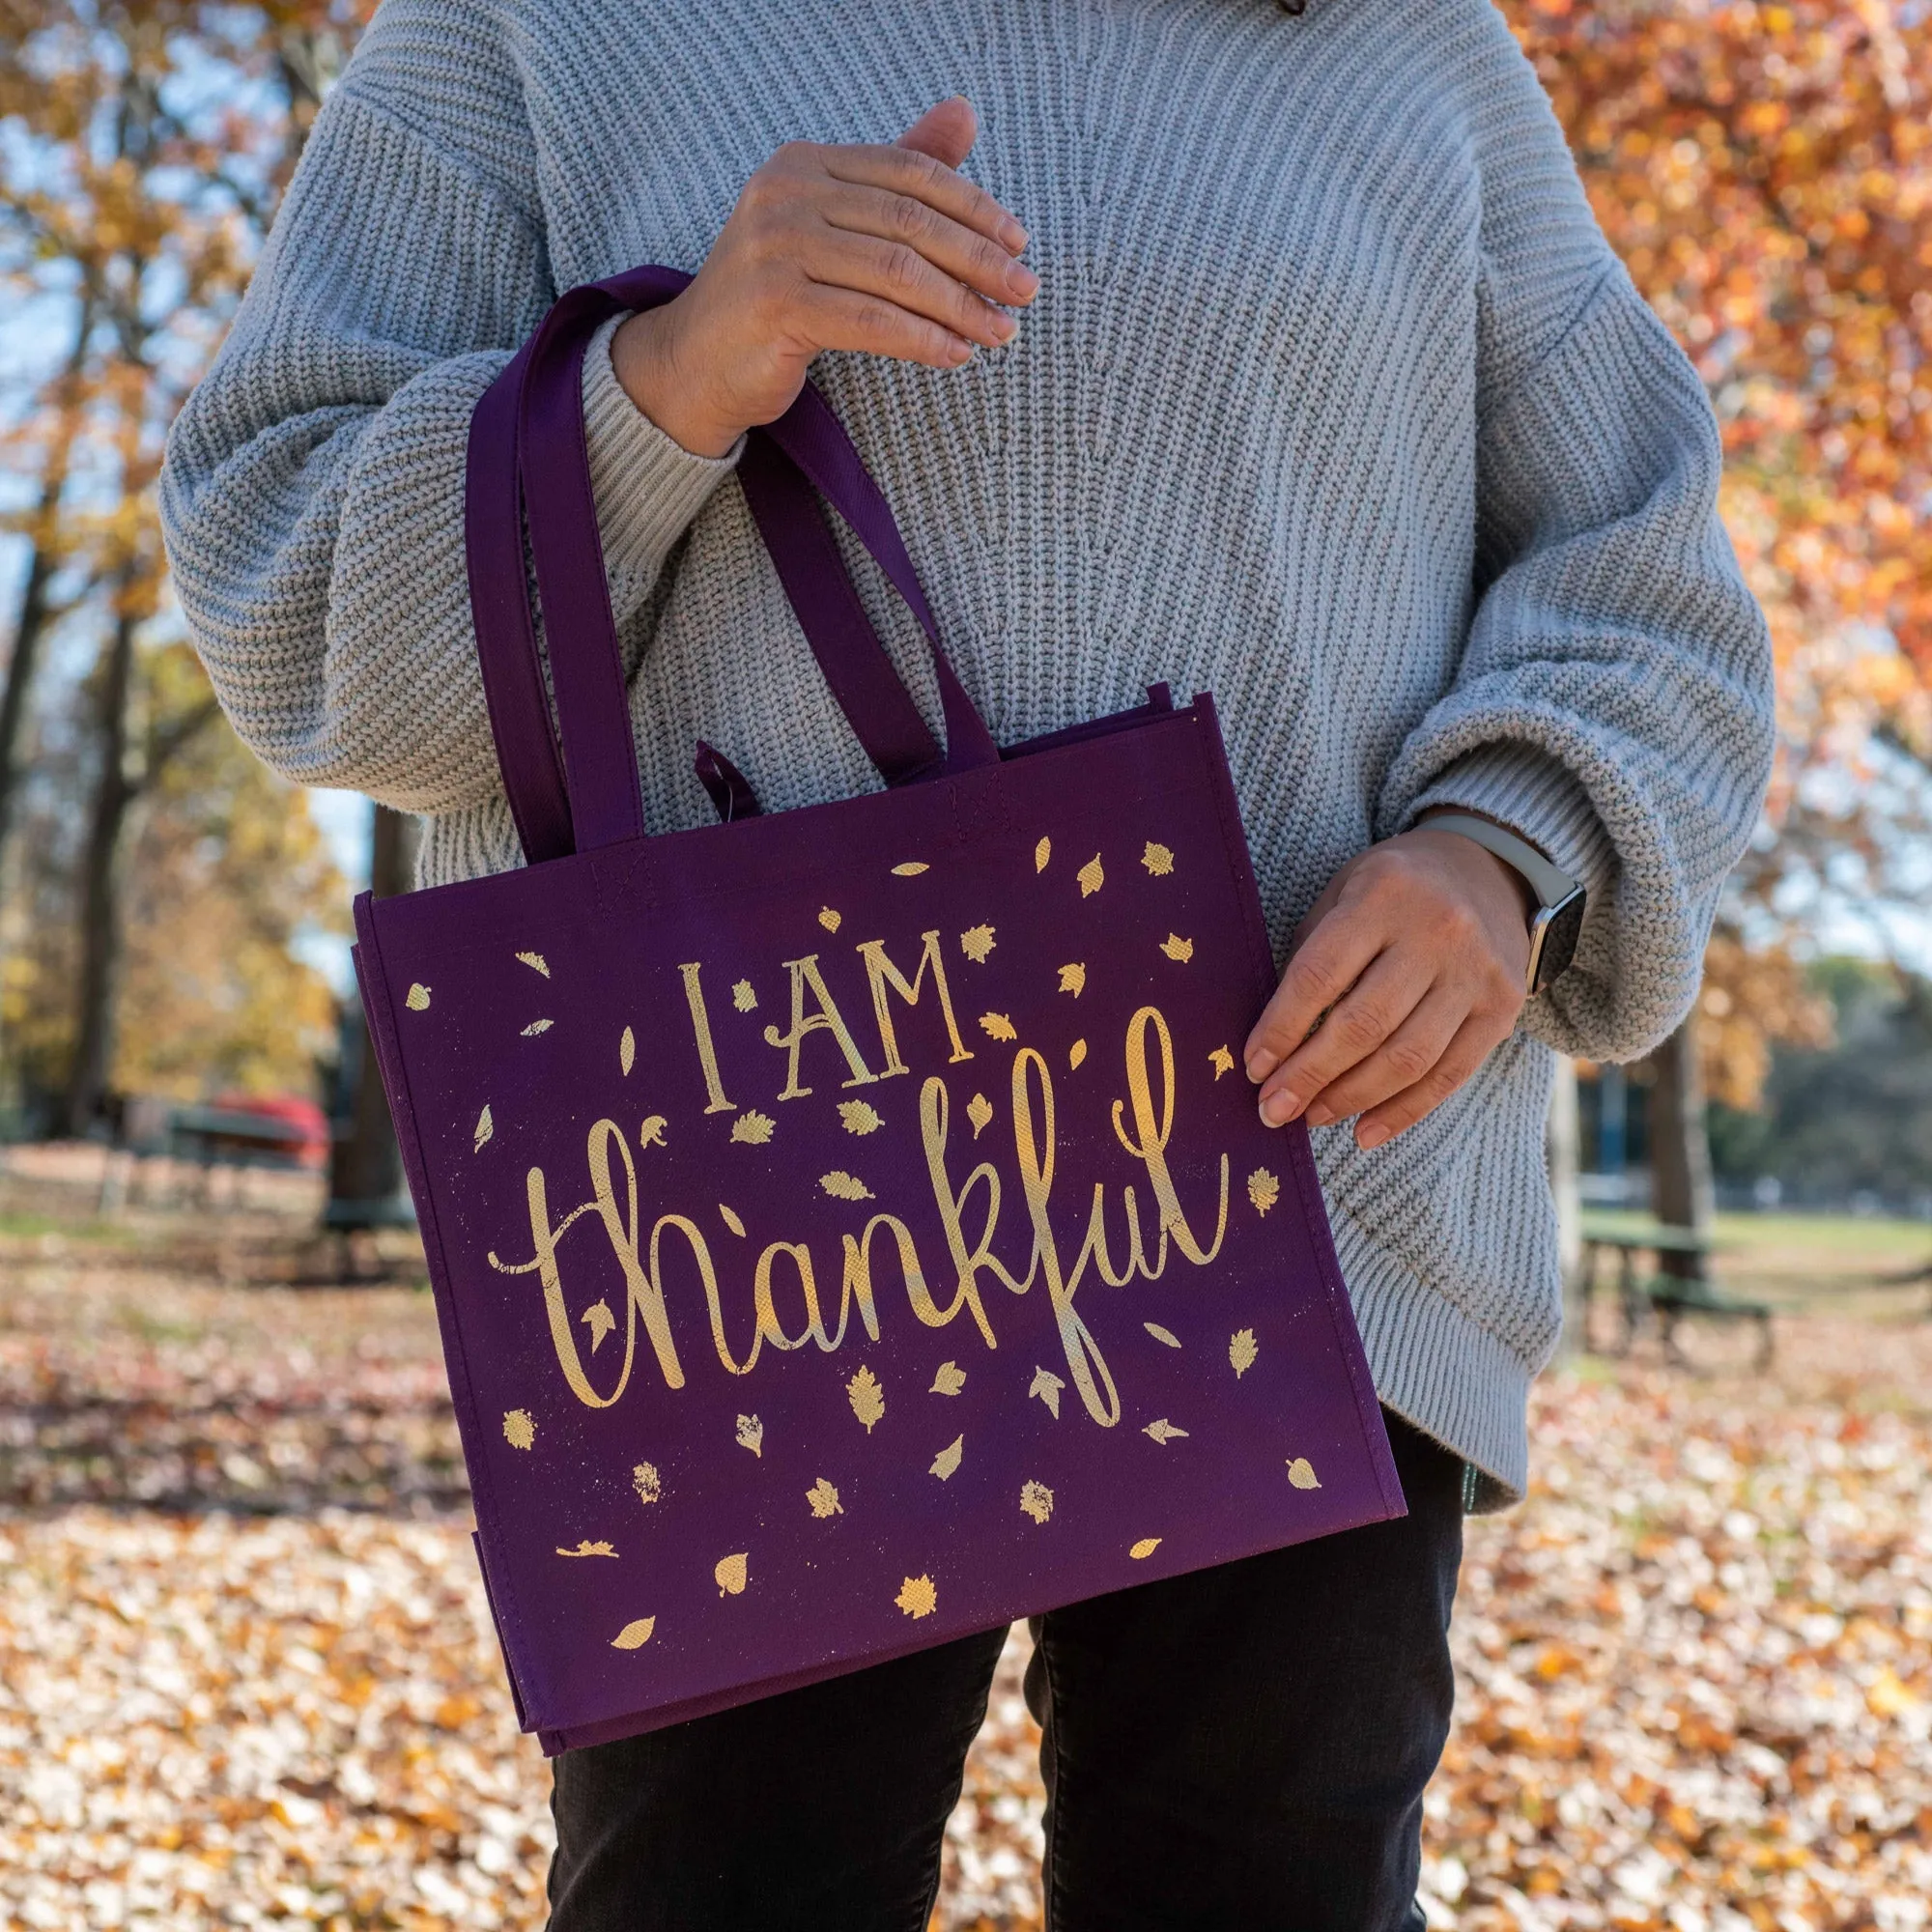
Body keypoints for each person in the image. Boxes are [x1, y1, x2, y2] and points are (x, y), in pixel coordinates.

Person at [160, 1, 1774, 1924]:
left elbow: (1645, 566)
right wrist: (660, 380)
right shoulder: (536, 29)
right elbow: (275, 590)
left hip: (1312, 1184)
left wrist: (1509, 842)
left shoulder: (1407, 53)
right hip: (752, 1259)